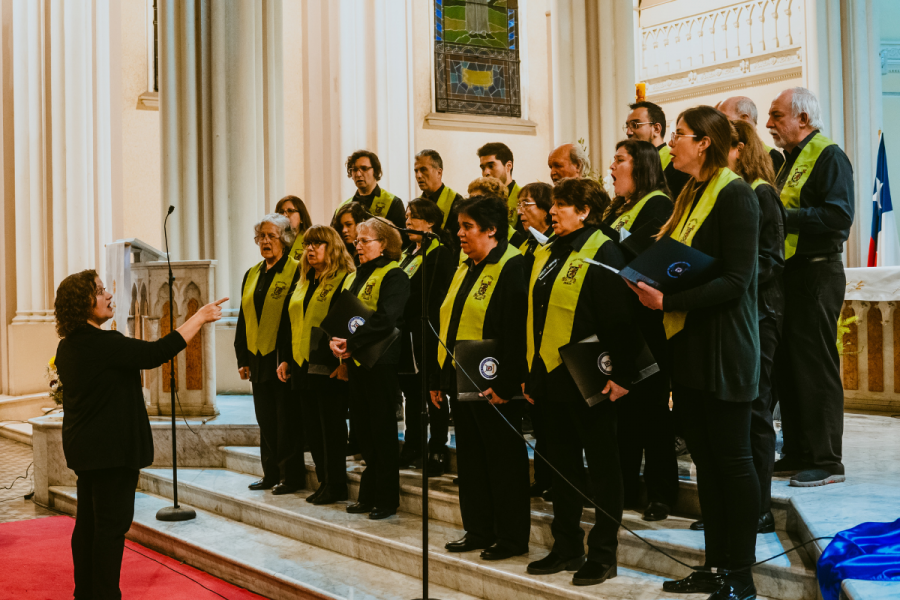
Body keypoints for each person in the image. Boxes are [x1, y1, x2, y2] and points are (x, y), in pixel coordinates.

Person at [628, 106, 761, 600]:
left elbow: (737, 279)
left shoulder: (736, 195)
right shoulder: (693, 191)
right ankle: (715, 565)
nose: (672, 145)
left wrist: (669, 299)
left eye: (679, 136)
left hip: (724, 346)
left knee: (731, 461)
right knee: (706, 462)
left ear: (704, 142)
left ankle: (740, 576)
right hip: (689, 343)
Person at [55, 270, 225, 600]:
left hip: (85, 450)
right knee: (110, 528)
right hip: (112, 453)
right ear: (83, 303)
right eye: (100, 291)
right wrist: (199, 317)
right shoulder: (106, 344)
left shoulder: (67, 347)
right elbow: (158, 352)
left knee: (88, 525)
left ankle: (85, 594)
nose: (108, 295)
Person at [524, 177, 641, 587]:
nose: (552, 211)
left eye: (561, 205)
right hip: (551, 377)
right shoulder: (550, 252)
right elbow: (536, 316)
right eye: (553, 205)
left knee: (604, 467)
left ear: (585, 211)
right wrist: (531, 374)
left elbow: (623, 319)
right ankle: (567, 545)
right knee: (562, 467)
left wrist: (623, 375)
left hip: (593, 375)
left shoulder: (605, 250)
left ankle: (604, 554)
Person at [691, 118, 786, 533]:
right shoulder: (710, 194)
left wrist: (723, 277)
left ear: (738, 148)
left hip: (755, 314)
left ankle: (758, 507)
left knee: (755, 414)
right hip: (726, 318)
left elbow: (767, 260)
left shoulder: (754, 194)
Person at [433, 195, 530, 561]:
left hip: (495, 383)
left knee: (502, 460)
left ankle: (511, 536)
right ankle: (478, 528)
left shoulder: (511, 265)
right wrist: (441, 377)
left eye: (467, 227)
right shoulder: (465, 265)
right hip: (462, 378)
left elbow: (517, 329)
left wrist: (506, 383)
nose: (459, 233)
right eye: (459, 226)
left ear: (491, 230)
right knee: (472, 459)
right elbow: (450, 324)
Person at [767, 87, 854, 487]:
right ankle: (799, 451)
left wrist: (782, 216)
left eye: (777, 116)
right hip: (790, 274)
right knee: (790, 366)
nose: (770, 125)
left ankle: (826, 459)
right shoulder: (789, 161)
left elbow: (838, 215)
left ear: (803, 118)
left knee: (815, 367)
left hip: (816, 273)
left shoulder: (828, 155)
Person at [604, 139, 678, 522]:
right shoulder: (619, 207)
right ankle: (626, 487)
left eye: (619, 160)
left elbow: (648, 253)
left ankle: (662, 492)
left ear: (642, 165)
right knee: (625, 411)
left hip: (648, 322)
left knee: (652, 411)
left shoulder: (659, 203)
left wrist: (610, 239)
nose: (612, 167)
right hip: (619, 320)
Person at [330, 218, 410, 520]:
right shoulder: (355, 275)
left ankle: (387, 498)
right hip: (357, 363)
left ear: (384, 244)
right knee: (363, 431)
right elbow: (343, 313)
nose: (357, 244)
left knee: (383, 432)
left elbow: (386, 319)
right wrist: (336, 341)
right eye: (357, 240)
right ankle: (368, 492)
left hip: (381, 363)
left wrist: (350, 341)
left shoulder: (395, 275)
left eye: (365, 240)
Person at [277, 225, 356, 505]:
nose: (310, 250)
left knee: (331, 428)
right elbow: (290, 323)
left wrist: (346, 363)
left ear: (332, 247)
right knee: (312, 427)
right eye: (308, 245)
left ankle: (336, 484)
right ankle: (324, 481)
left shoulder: (345, 279)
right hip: (302, 363)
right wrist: (285, 357)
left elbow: (349, 324)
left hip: (329, 364)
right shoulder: (304, 281)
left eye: (318, 244)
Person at [235, 214, 305, 495]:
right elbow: (243, 316)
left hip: (282, 358)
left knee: (285, 418)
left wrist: (288, 356)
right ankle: (270, 473)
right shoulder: (252, 273)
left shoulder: (297, 270)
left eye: (270, 236)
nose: (265, 241)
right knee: (265, 418)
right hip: (257, 357)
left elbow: (295, 318)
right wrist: (242, 358)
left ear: (285, 239)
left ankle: (291, 477)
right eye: (261, 236)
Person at [397, 198, 456, 475]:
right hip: (406, 331)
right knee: (411, 391)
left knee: (434, 390)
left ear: (430, 222)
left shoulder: (440, 252)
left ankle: (438, 446)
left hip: (429, 329)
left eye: (414, 217)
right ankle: (413, 443)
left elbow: (436, 295)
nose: (408, 221)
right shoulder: (407, 252)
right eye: (407, 216)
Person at [625, 100, 692, 200]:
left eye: (635, 125)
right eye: (627, 126)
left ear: (656, 129)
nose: (628, 132)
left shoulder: (676, 163)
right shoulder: (633, 164)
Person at [337, 150, 407, 233]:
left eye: (364, 168)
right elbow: (334, 239)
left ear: (376, 171)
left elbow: (403, 240)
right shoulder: (343, 207)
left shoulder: (393, 202)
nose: (358, 174)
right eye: (354, 169)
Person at [717, 96, 785, 174]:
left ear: (744, 119)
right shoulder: (725, 156)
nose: (719, 124)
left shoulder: (772, 156)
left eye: (724, 118)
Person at [414, 149, 465, 251]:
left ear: (439, 172)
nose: (418, 175)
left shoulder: (456, 201)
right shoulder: (416, 204)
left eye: (423, 169)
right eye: (416, 171)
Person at [468, 177, 528, 249]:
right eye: (470, 200)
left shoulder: (516, 241)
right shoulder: (468, 236)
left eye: (476, 200)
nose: (470, 206)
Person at [477, 142, 522, 230]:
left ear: (508, 166)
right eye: (483, 168)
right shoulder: (482, 199)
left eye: (491, 166)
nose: (486, 172)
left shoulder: (523, 197)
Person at [276, 195, 313, 261]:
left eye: (290, 211)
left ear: (302, 217)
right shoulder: (274, 242)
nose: (285, 215)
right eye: (281, 212)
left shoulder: (311, 242)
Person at [332, 201, 368, 266]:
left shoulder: (370, 256)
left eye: (348, 225)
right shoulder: (339, 256)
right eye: (341, 226)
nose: (344, 230)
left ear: (361, 224)